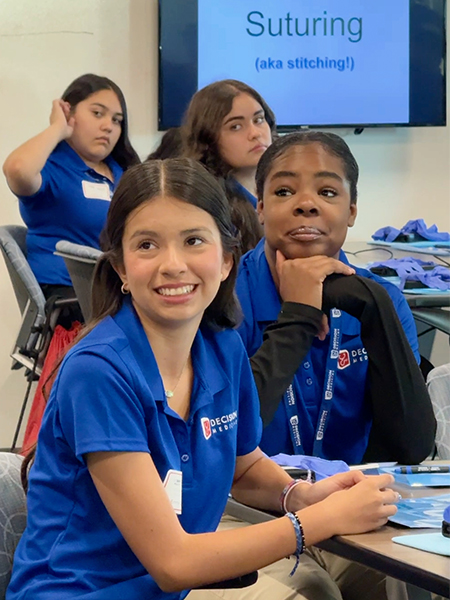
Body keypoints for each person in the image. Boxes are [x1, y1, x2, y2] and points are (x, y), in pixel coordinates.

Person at [7, 159, 399, 600]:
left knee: (339, 584)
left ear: (227, 259)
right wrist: (319, 521)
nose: (173, 265)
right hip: (84, 593)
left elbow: (243, 466)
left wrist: (298, 496)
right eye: (147, 245)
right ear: (120, 268)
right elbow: (175, 563)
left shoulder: (221, 347)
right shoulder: (98, 371)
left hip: (170, 590)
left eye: (194, 241)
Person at [236, 131, 435, 464]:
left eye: (327, 192)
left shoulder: (380, 297)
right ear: (260, 208)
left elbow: (412, 446)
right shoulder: (223, 299)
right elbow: (228, 436)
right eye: (283, 191)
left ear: (352, 211)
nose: (306, 204)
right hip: (247, 506)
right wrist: (298, 317)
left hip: (350, 499)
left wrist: (373, 307)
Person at [3, 73, 140, 302]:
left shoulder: (123, 173)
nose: (108, 126)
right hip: (71, 298)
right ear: (70, 114)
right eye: (97, 113)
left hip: (120, 289)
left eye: (117, 120)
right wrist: (58, 128)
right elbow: (16, 169)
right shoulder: (52, 170)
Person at [183, 79, 275, 253]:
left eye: (259, 119)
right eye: (236, 126)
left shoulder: (286, 186)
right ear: (209, 140)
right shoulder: (211, 207)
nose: (255, 133)